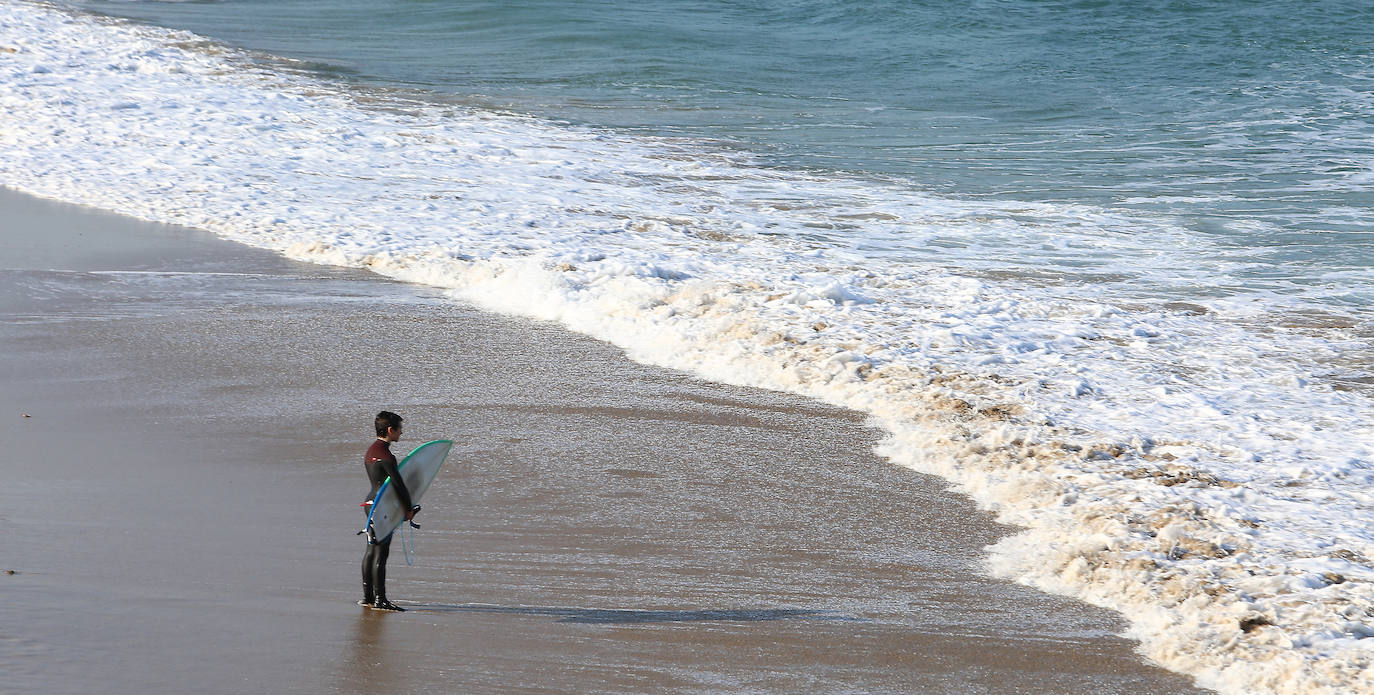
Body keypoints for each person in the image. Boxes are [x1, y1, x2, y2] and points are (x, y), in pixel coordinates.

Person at [360, 410, 416, 612]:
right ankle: (380, 600)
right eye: (400, 429)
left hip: (370, 504)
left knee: (371, 550)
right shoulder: (386, 455)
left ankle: (368, 597)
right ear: (390, 430)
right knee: (381, 553)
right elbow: (399, 485)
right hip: (381, 507)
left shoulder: (372, 450)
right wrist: (408, 509)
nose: (401, 433)